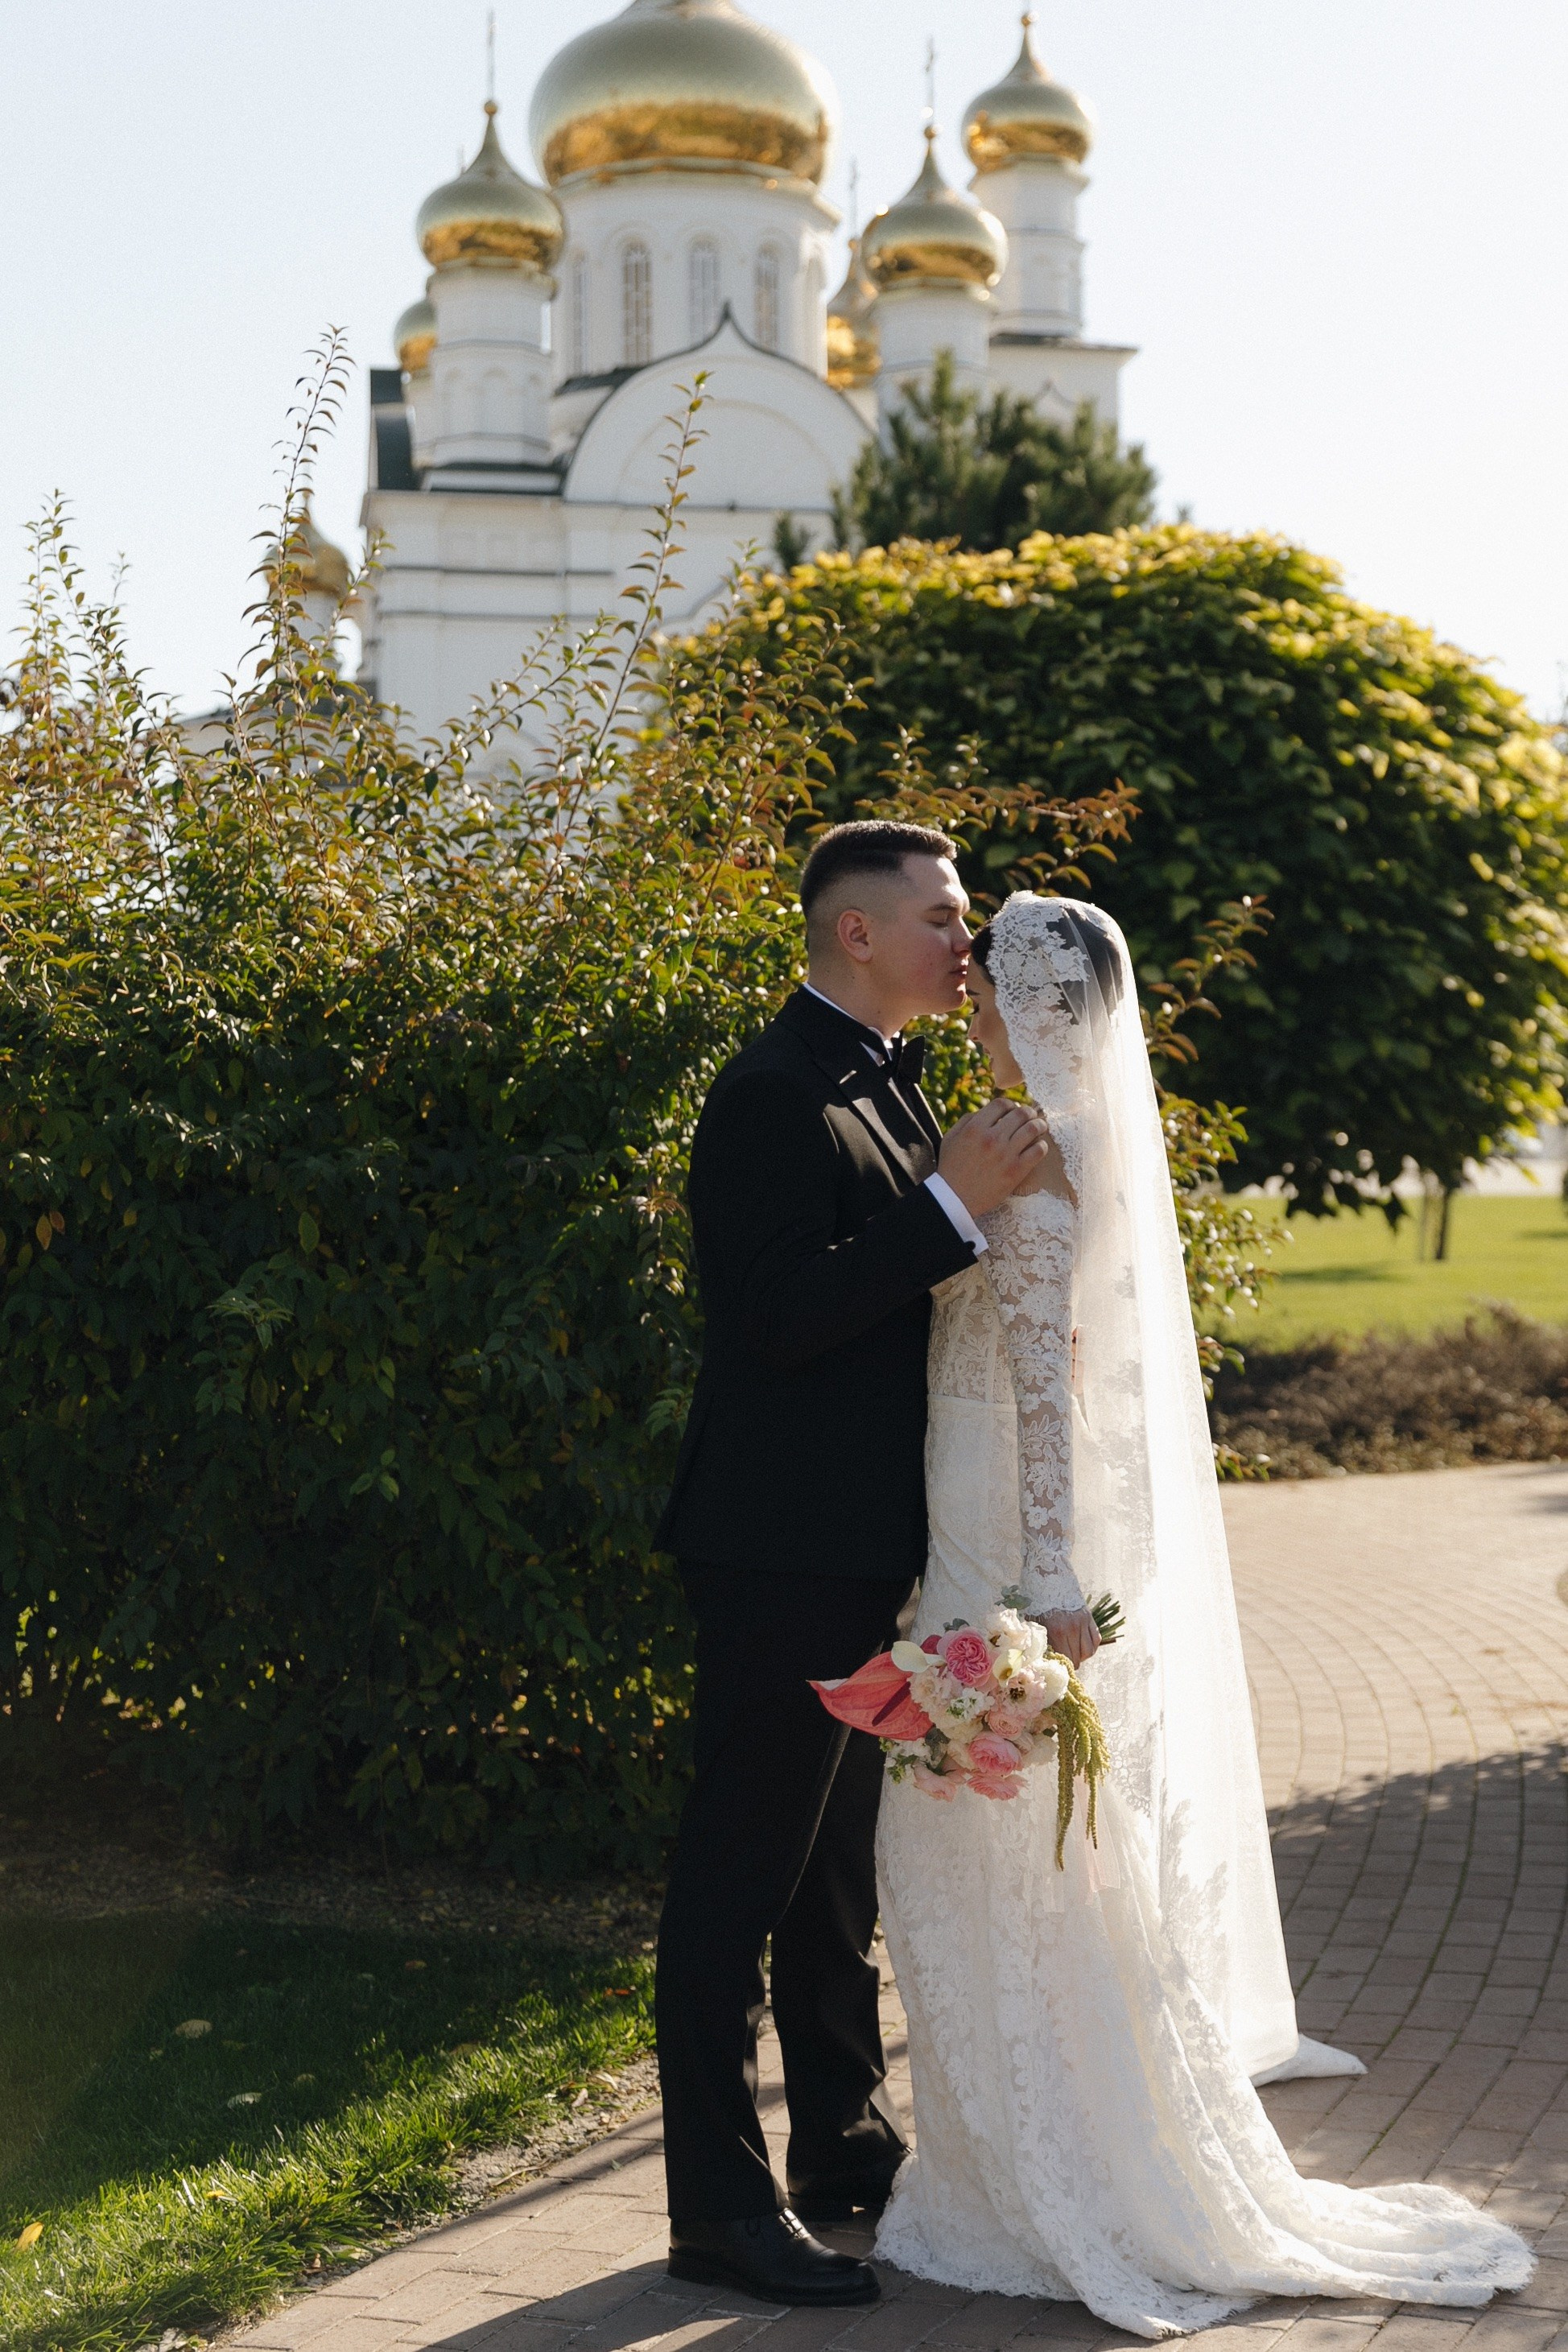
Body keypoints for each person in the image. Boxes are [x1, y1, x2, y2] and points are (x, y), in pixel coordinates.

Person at [873, 890, 1532, 2336]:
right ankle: (1005, 2161)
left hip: (997, 1529)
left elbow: (1045, 1381)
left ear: (1038, 1006)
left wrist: (1044, 1585)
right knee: (997, 1847)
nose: (969, 994)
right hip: (969, 1501)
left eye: (991, 982)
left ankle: (1055, 2172)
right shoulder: (1044, 1138)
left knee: (995, 1842)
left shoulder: (1034, 1154)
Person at [653, 822, 1058, 2309]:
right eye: (944, 916)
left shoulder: (890, 1075)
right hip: (777, 1546)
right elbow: (777, 1317)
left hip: (868, 1545)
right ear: (857, 932)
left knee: (832, 1880)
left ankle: (841, 2143)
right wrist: (951, 1207)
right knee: (738, 1878)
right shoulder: (770, 1092)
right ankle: (719, 2211)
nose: (967, 940)